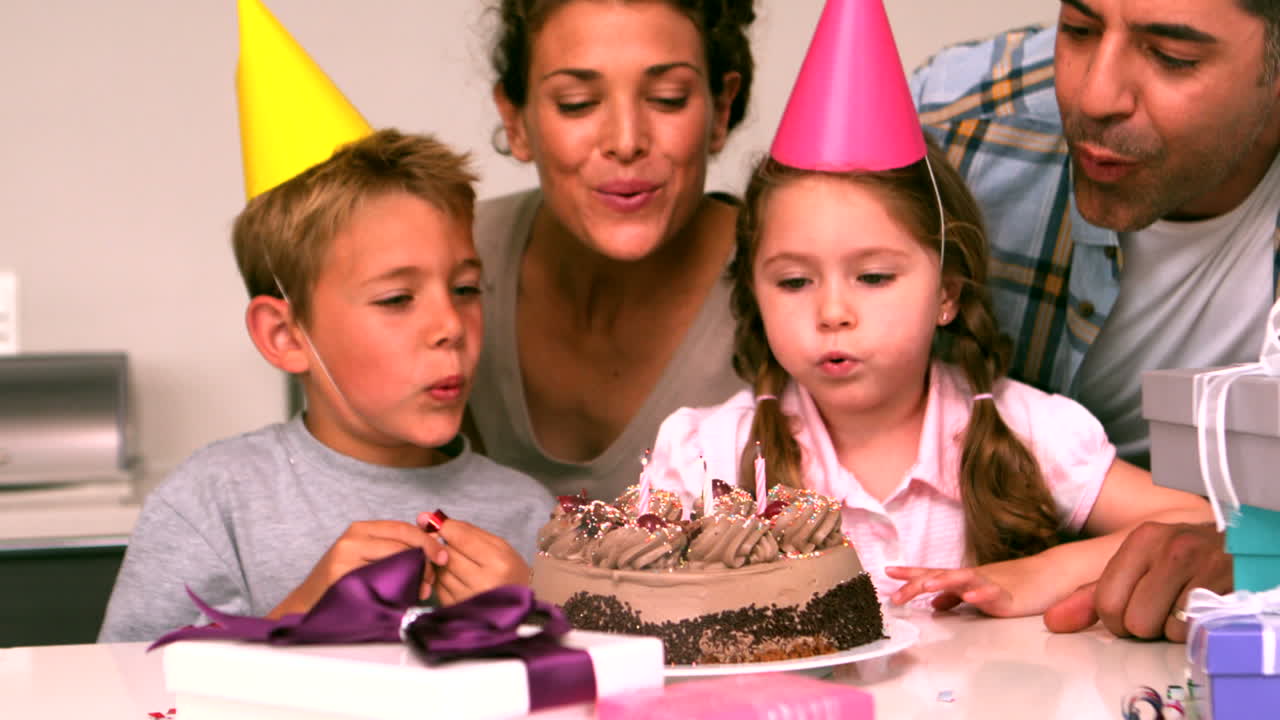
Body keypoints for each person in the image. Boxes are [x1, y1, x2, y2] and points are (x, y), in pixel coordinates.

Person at [646, 0, 1213, 618]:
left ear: (947, 292)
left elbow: (1201, 526)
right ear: (754, 292)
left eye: (873, 276)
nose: (832, 311)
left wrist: (1042, 572)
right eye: (794, 281)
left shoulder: (1024, 432)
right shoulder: (707, 456)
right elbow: (636, 599)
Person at [909, 0, 1278, 638]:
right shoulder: (951, 126)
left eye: (1172, 57)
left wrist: (1257, 553)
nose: (1094, 95)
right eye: (1078, 30)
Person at [98, 129, 555, 643]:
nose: (451, 324)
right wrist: (296, 618)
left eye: (466, 289)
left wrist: (535, 616)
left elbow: (599, 680)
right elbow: (126, 681)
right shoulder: (211, 503)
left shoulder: (531, 514)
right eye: (397, 298)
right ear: (286, 336)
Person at [467, 0, 757, 502]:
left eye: (667, 98)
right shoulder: (450, 263)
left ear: (721, 109)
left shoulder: (803, 286)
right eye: (577, 103)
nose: (626, 142)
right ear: (515, 120)